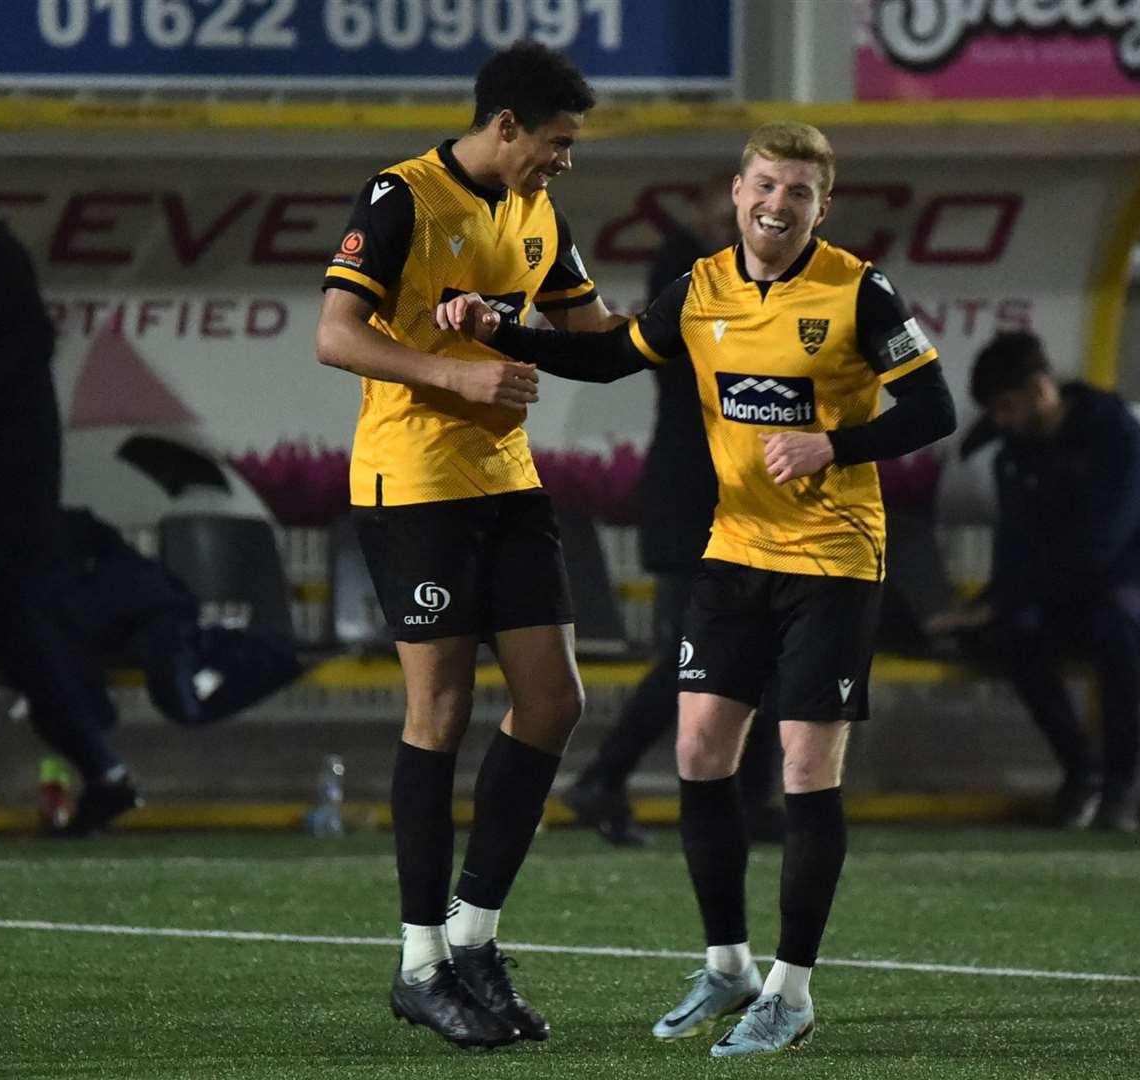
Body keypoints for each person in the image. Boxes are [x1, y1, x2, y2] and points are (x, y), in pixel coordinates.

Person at [437, 120, 956, 1056]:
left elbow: (935, 405)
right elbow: (608, 352)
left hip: (834, 561)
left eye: (798, 192)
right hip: (734, 553)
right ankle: (728, 968)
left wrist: (835, 443)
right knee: (700, 752)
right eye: (764, 185)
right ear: (737, 190)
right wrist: (498, 327)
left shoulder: (859, 289)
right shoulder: (703, 286)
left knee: (804, 768)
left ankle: (792, 995)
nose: (776, 204)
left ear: (820, 206)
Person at [315, 42, 621, 1050]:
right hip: (415, 488)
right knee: (439, 711)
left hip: (508, 484)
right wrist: (456, 376)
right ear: (505, 127)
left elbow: (595, 339)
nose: (564, 161)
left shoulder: (539, 216)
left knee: (553, 700)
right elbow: (335, 334)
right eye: (556, 142)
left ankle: (473, 934)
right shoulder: (401, 196)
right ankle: (418, 967)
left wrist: (692, 322)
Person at [562, 173, 784, 848]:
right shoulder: (688, 280)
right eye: (735, 205)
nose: (745, 219)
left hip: (729, 497)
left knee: (753, 649)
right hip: (696, 500)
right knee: (701, 655)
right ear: (697, 208)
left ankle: (744, 798)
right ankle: (606, 776)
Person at [929, 332, 1140, 832]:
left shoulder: (1116, 437)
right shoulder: (1015, 456)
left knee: (1116, 623)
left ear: (1041, 389)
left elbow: (1103, 545)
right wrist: (987, 606)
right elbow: (1016, 553)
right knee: (1008, 633)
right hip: (1066, 598)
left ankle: (1120, 787)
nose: (1001, 423)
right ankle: (1081, 771)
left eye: (1007, 407)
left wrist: (1017, 596)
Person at [0, 204, 142, 836]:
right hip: (11, 498)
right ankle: (101, 769)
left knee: (21, 629)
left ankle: (101, 768)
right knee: (23, 634)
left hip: (2, 498)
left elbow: (7, 364)